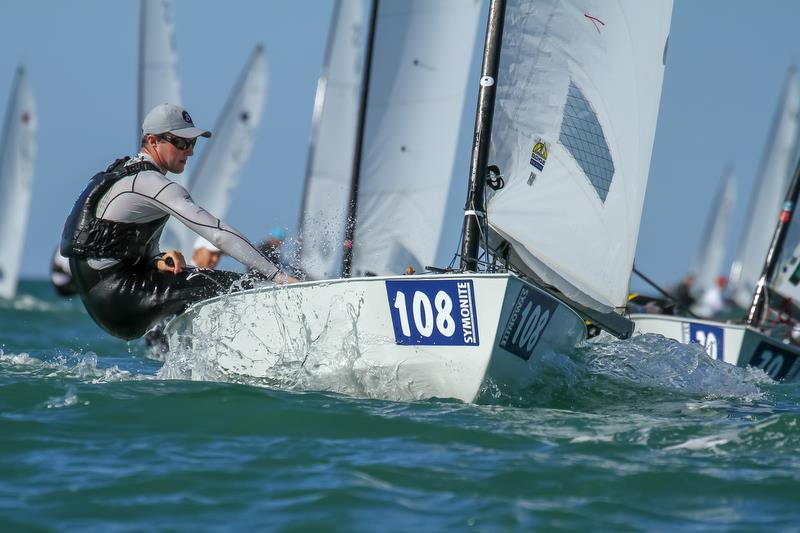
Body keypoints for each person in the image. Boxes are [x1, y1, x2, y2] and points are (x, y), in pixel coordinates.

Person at [61, 103, 295, 341]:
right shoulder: (152, 184)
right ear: (153, 141)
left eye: (192, 143)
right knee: (238, 286)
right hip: (122, 298)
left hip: (104, 299)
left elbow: (116, 244)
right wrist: (278, 277)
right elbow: (217, 233)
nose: (190, 151)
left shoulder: (126, 174)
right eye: (181, 143)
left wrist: (158, 259)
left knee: (201, 281)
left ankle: (182, 348)